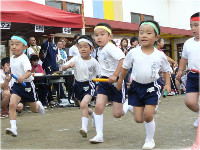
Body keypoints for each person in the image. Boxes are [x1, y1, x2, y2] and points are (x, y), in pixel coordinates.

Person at [116, 20, 171, 149]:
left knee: (148, 116)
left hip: (152, 87)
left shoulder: (159, 55)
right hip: (136, 87)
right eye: (141, 33)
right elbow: (125, 68)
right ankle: (129, 105)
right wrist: (119, 81)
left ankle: (150, 140)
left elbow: (166, 70)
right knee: (138, 119)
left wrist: (168, 84)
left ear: (156, 37)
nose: (144, 35)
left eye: (148, 33)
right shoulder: (133, 52)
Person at [89, 23, 133, 144]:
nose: (99, 37)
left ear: (110, 36)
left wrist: (115, 75)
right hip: (104, 81)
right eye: (96, 35)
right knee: (98, 107)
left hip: (117, 81)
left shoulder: (111, 47)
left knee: (117, 114)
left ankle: (128, 104)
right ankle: (99, 135)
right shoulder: (99, 49)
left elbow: (123, 60)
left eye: (102, 34)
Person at [5, 33, 45, 137]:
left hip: (27, 85)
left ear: (25, 47)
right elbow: (13, 72)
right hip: (17, 86)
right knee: (12, 104)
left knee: (33, 109)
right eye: (12, 44)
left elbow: (29, 72)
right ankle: (13, 128)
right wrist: (9, 77)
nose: (14, 46)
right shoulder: (12, 58)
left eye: (17, 44)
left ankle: (38, 105)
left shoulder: (24, 58)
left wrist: (22, 77)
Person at [62, 35, 101, 138]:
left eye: (85, 46)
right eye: (80, 47)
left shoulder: (94, 62)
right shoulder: (76, 58)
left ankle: (84, 128)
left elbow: (100, 74)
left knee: (84, 104)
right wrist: (67, 66)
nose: (82, 49)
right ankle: (93, 116)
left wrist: (98, 86)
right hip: (78, 85)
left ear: (92, 48)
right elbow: (63, 67)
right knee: (83, 107)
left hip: (89, 84)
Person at [176, 12, 200, 127]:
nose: (193, 28)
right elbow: (184, 58)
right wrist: (180, 71)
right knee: (190, 102)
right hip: (193, 76)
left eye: (196, 25)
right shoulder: (188, 43)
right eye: (191, 26)